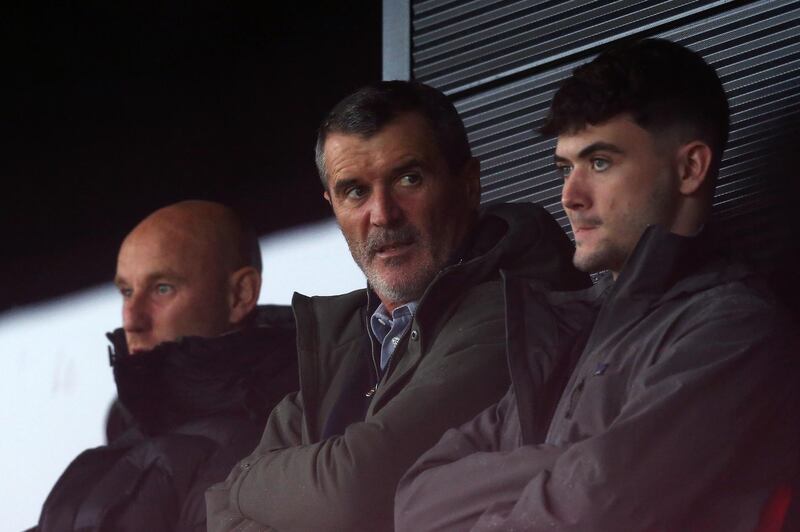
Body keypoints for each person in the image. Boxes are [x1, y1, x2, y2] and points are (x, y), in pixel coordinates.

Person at [396, 38, 800, 531]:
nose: (570, 196)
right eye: (565, 168)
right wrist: (576, 462)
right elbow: (417, 500)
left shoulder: (733, 329)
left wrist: (571, 476)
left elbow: (587, 515)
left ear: (690, 168)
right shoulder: (571, 329)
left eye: (601, 162)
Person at [206, 81, 590, 531]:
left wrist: (242, 480)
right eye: (355, 191)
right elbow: (218, 510)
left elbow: (355, 486)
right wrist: (240, 487)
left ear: (468, 184)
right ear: (332, 204)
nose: (383, 214)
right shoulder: (349, 338)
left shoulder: (516, 307)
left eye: (409, 179)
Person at [36, 200, 298, 532]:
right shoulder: (124, 436)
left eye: (162, 288)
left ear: (240, 295)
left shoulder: (289, 434)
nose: (131, 319)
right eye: (127, 291)